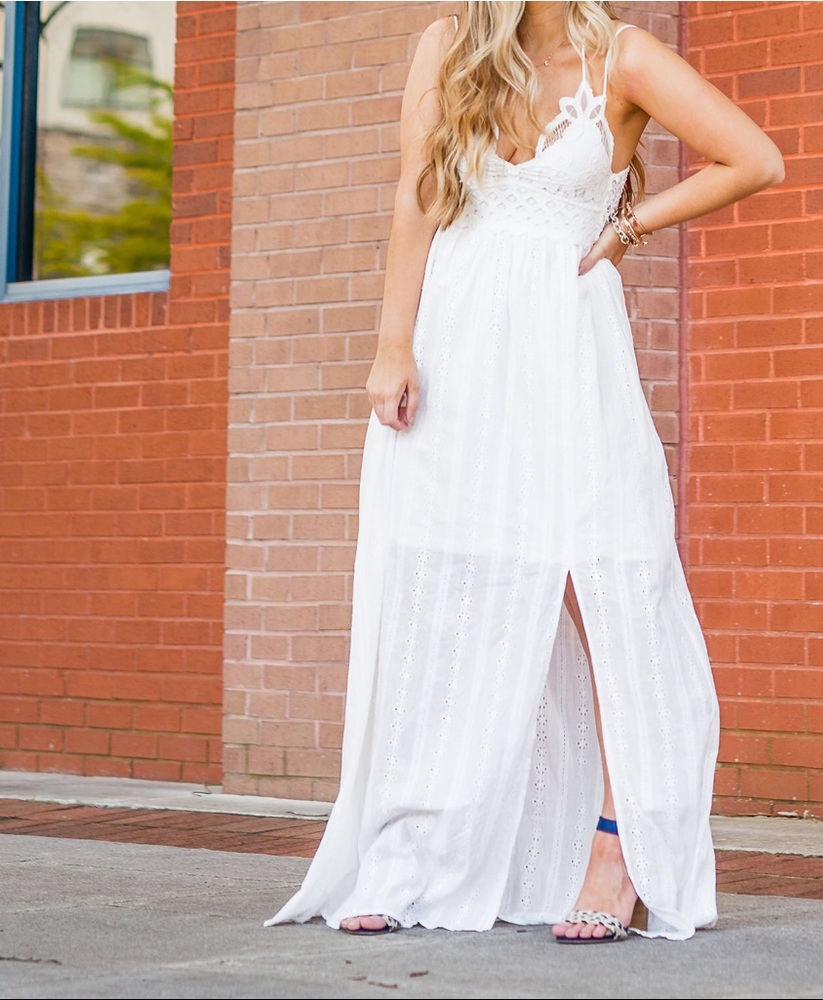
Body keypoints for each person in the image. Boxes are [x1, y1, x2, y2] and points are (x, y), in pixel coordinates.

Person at [266, 1, 783, 943]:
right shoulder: (448, 45)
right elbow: (417, 197)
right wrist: (392, 346)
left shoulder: (624, 57)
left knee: (610, 589)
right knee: (443, 584)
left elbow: (755, 158)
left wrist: (628, 230)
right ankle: (416, 851)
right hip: (456, 348)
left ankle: (619, 848)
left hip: (568, 347)